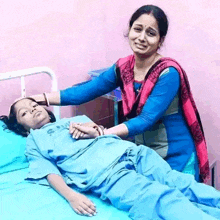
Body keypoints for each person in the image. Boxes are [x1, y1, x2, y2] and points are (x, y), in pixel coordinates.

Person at [31, 5, 209, 182]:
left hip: (177, 156)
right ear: (129, 30)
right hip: (146, 155)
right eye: (137, 29)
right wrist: (39, 99)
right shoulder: (123, 67)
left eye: (151, 33)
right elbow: (85, 91)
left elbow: (146, 120)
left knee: (177, 206)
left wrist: (102, 133)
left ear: (160, 40)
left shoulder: (168, 73)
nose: (141, 38)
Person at [0, 97, 220, 220]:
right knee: (160, 198)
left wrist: (94, 128)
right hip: (107, 174)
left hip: (132, 152)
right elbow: (49, 172)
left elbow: (103, 133)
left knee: (181, 183)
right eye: (24, 113)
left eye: (34, 105)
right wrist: (71, 196)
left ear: (48, 110)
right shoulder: (35, 140)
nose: (33, 109)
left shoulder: (73, 120)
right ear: (22, 128)